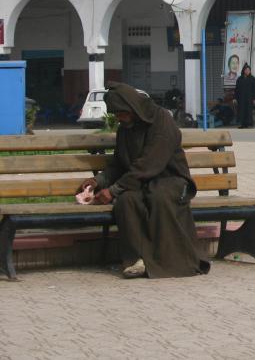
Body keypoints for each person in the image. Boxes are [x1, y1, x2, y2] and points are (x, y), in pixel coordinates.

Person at [76, 83, 210, 279]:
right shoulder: (126, 129)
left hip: (171, 180)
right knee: (126, 201)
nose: (119, 119)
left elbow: (149, 164)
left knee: (158, 197)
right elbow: (120, 165)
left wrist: (113, 190)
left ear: (132, 107)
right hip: (141, 181)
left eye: (121, 113)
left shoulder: (162, 121)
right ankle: (138, 260)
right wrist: (98, 181)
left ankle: (175, 261)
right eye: (116, 115)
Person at [234, 63, 255, 129]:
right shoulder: (239, 79)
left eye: (249, 70)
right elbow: (236, 89)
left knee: (248, 111)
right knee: (241, 111)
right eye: (246, 70)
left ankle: (248, 124)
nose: (247, 71)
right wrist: (235, 98)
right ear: (243, 71)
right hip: (241, 98)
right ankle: (242, 124)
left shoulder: (252, 79)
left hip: (249, 98)